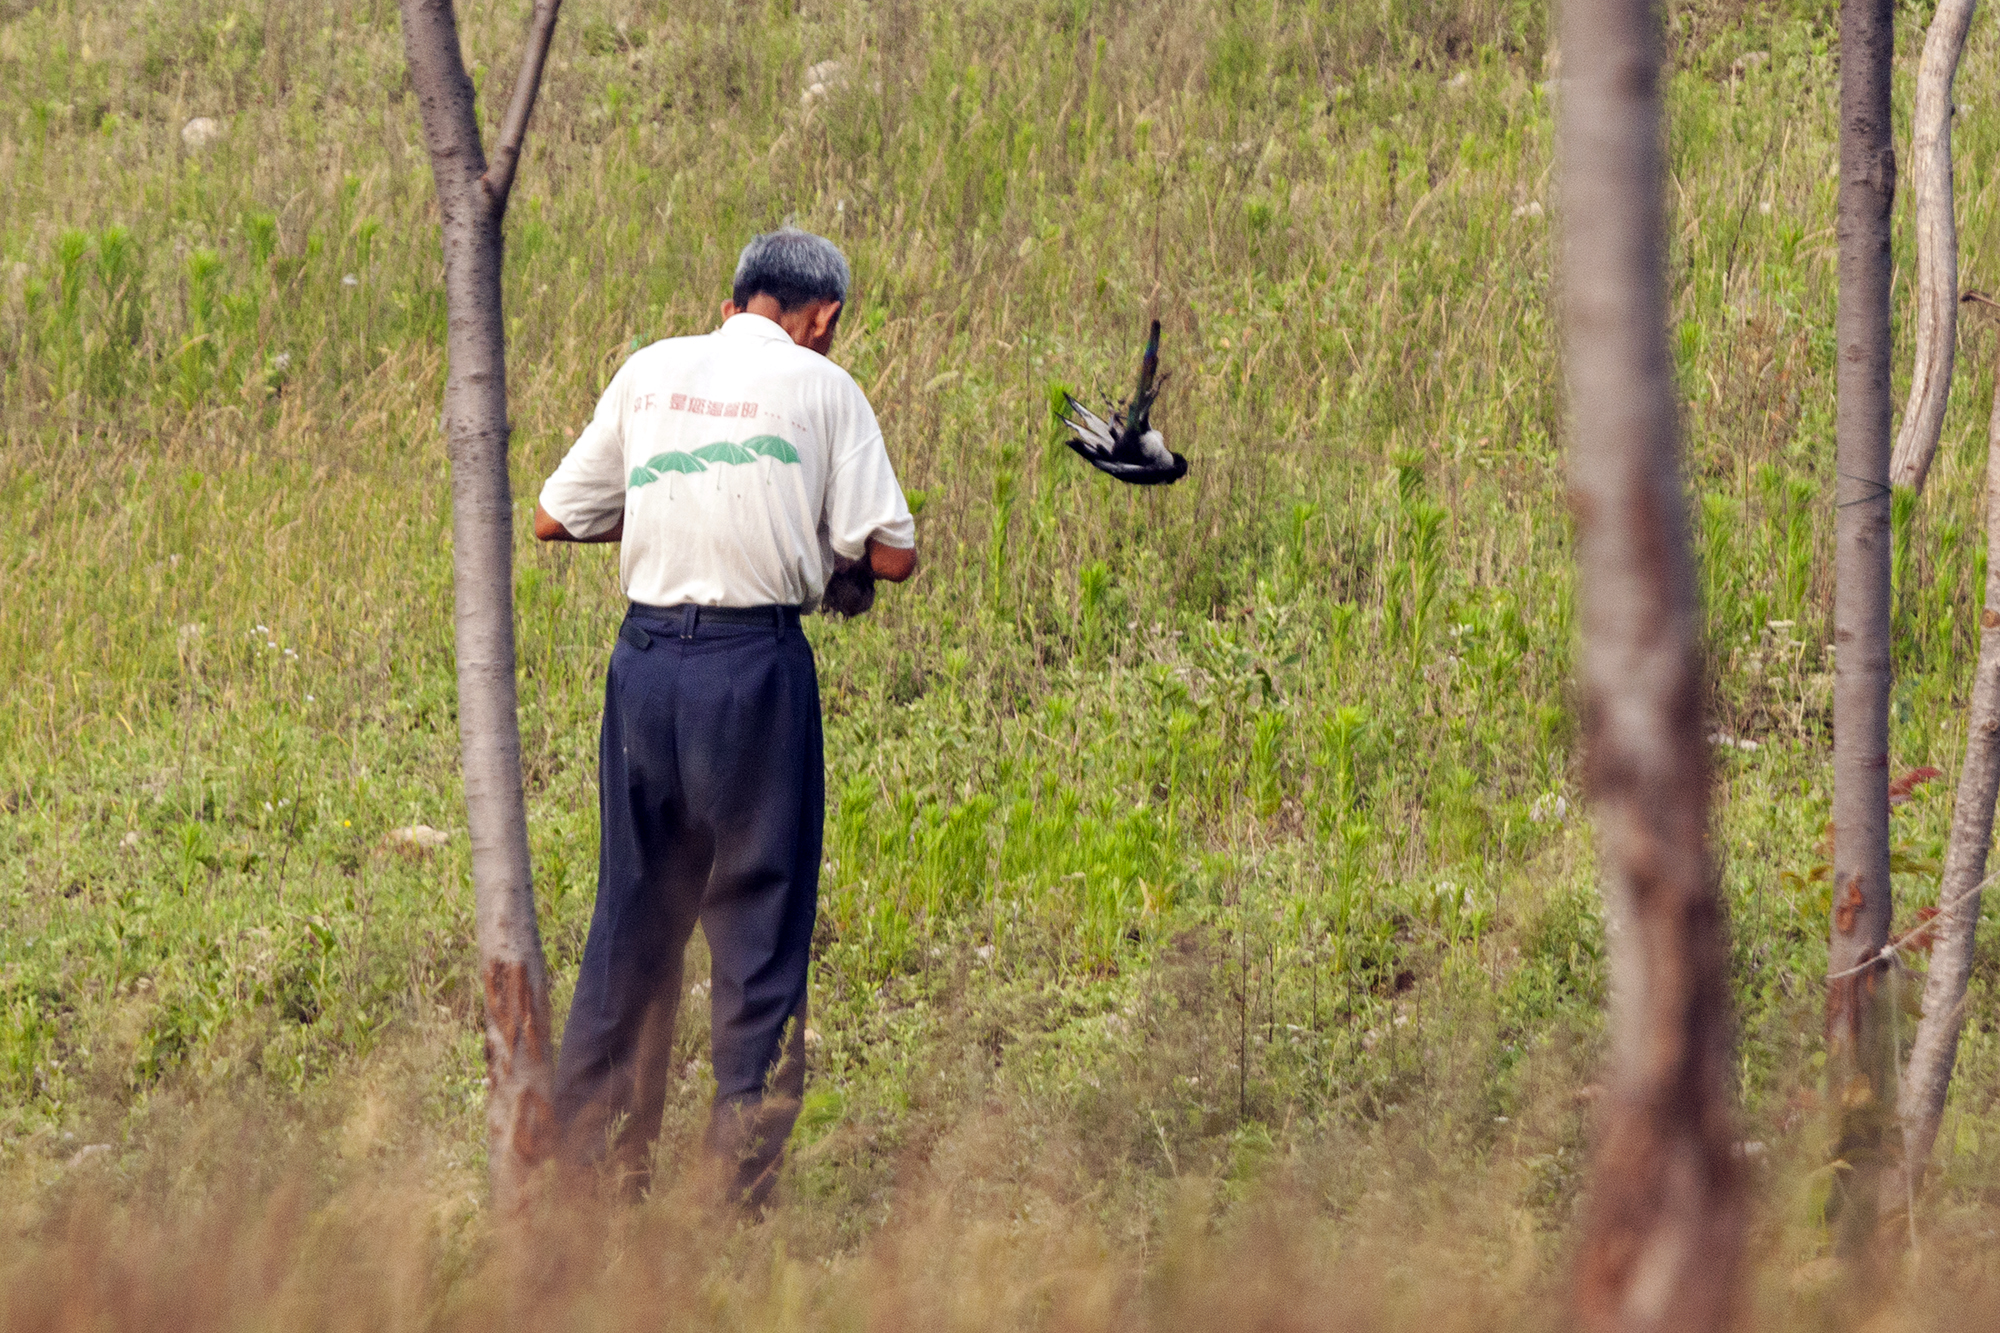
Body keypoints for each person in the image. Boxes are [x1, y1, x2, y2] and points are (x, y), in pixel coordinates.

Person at [532, 227, 918, 1208]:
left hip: (647, 667)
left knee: (631, 912)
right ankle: (739, 1191)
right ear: (820, 317)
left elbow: (553, 516)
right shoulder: (826, 389)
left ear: (730, 298)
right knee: (759, 919)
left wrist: (675, 502)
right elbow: (891, 555)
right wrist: (799, 533)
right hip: (754, 674)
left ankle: (587, 1172)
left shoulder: (651, 370)